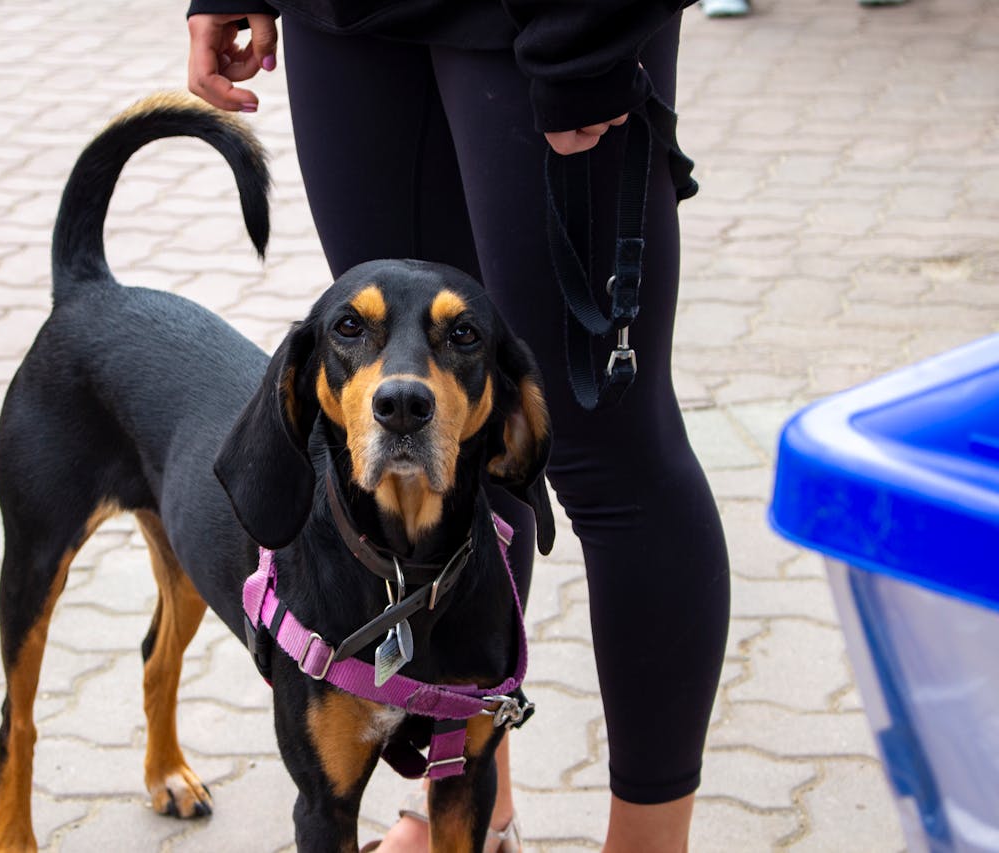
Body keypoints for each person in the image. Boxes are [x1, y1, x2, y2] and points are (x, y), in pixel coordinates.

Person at [184, 3, 731, 851]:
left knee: (609, 460)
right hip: (348, 18)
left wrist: (593, 26)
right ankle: (471, 800)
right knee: (421, 418)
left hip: (543, 20)